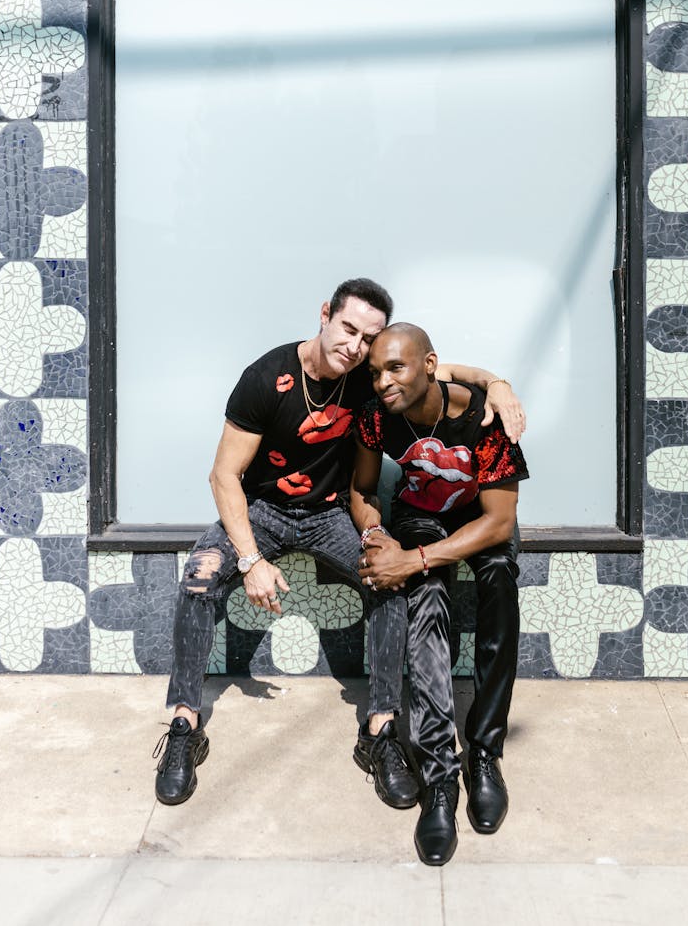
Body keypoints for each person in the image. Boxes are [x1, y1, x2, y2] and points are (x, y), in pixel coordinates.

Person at [153, 279, 526, 813]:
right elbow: (223, 476)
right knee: (199, 577)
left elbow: (442, 371)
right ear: (325, 314)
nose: (354, 347)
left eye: (366, 339)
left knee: (390, 583)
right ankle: (185, 724)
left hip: (332, 513)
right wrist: (250, 559)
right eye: (348, 329)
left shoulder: (373, 380)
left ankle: (379, 731)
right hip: (263, 511)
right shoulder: (266, 378)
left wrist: (500, 384)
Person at [351, 322, 529, 866]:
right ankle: (440, 778)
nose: (382, 381)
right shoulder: (378, 414)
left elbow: (499, 522)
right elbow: (362, 490)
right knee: (426, 602)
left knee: (499, 582)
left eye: (395, 368)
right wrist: (376, 535)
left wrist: (416, 558)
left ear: (430, 366)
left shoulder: (485, 418)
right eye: (376, 371)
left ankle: (483, 754)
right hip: (421, 514)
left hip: (480, 518)